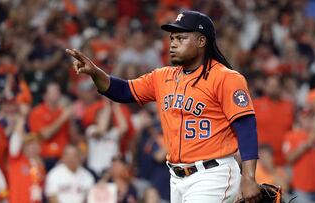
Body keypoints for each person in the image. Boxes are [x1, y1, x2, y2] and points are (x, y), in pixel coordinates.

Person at [66, 10, 261, 202]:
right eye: (172, 38)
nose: (173, 44)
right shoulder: (162, 77)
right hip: (177, 178)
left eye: (181, 38)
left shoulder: (226, 78)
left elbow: (246, 126)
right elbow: (123, 91)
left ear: (202, 41)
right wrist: (95, 73)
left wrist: (249, 177)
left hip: (213, 174)